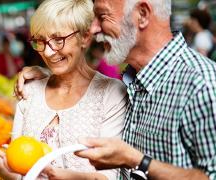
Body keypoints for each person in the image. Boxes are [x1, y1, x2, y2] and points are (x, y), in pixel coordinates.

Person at [15, 0, 216, 179]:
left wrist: (136, 160)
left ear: (143, 15)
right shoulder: (133, 81)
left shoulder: (202, 83)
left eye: (102, 16)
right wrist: (51, 73)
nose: (93, 29)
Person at [0, 0, 127, 179]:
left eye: (58, 40)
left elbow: (109, 176)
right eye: (40, 41)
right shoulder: (29, 91)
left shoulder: (111, 94)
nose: (48, 52)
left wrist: (55, 174)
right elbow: (19, 172)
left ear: (84, 37)